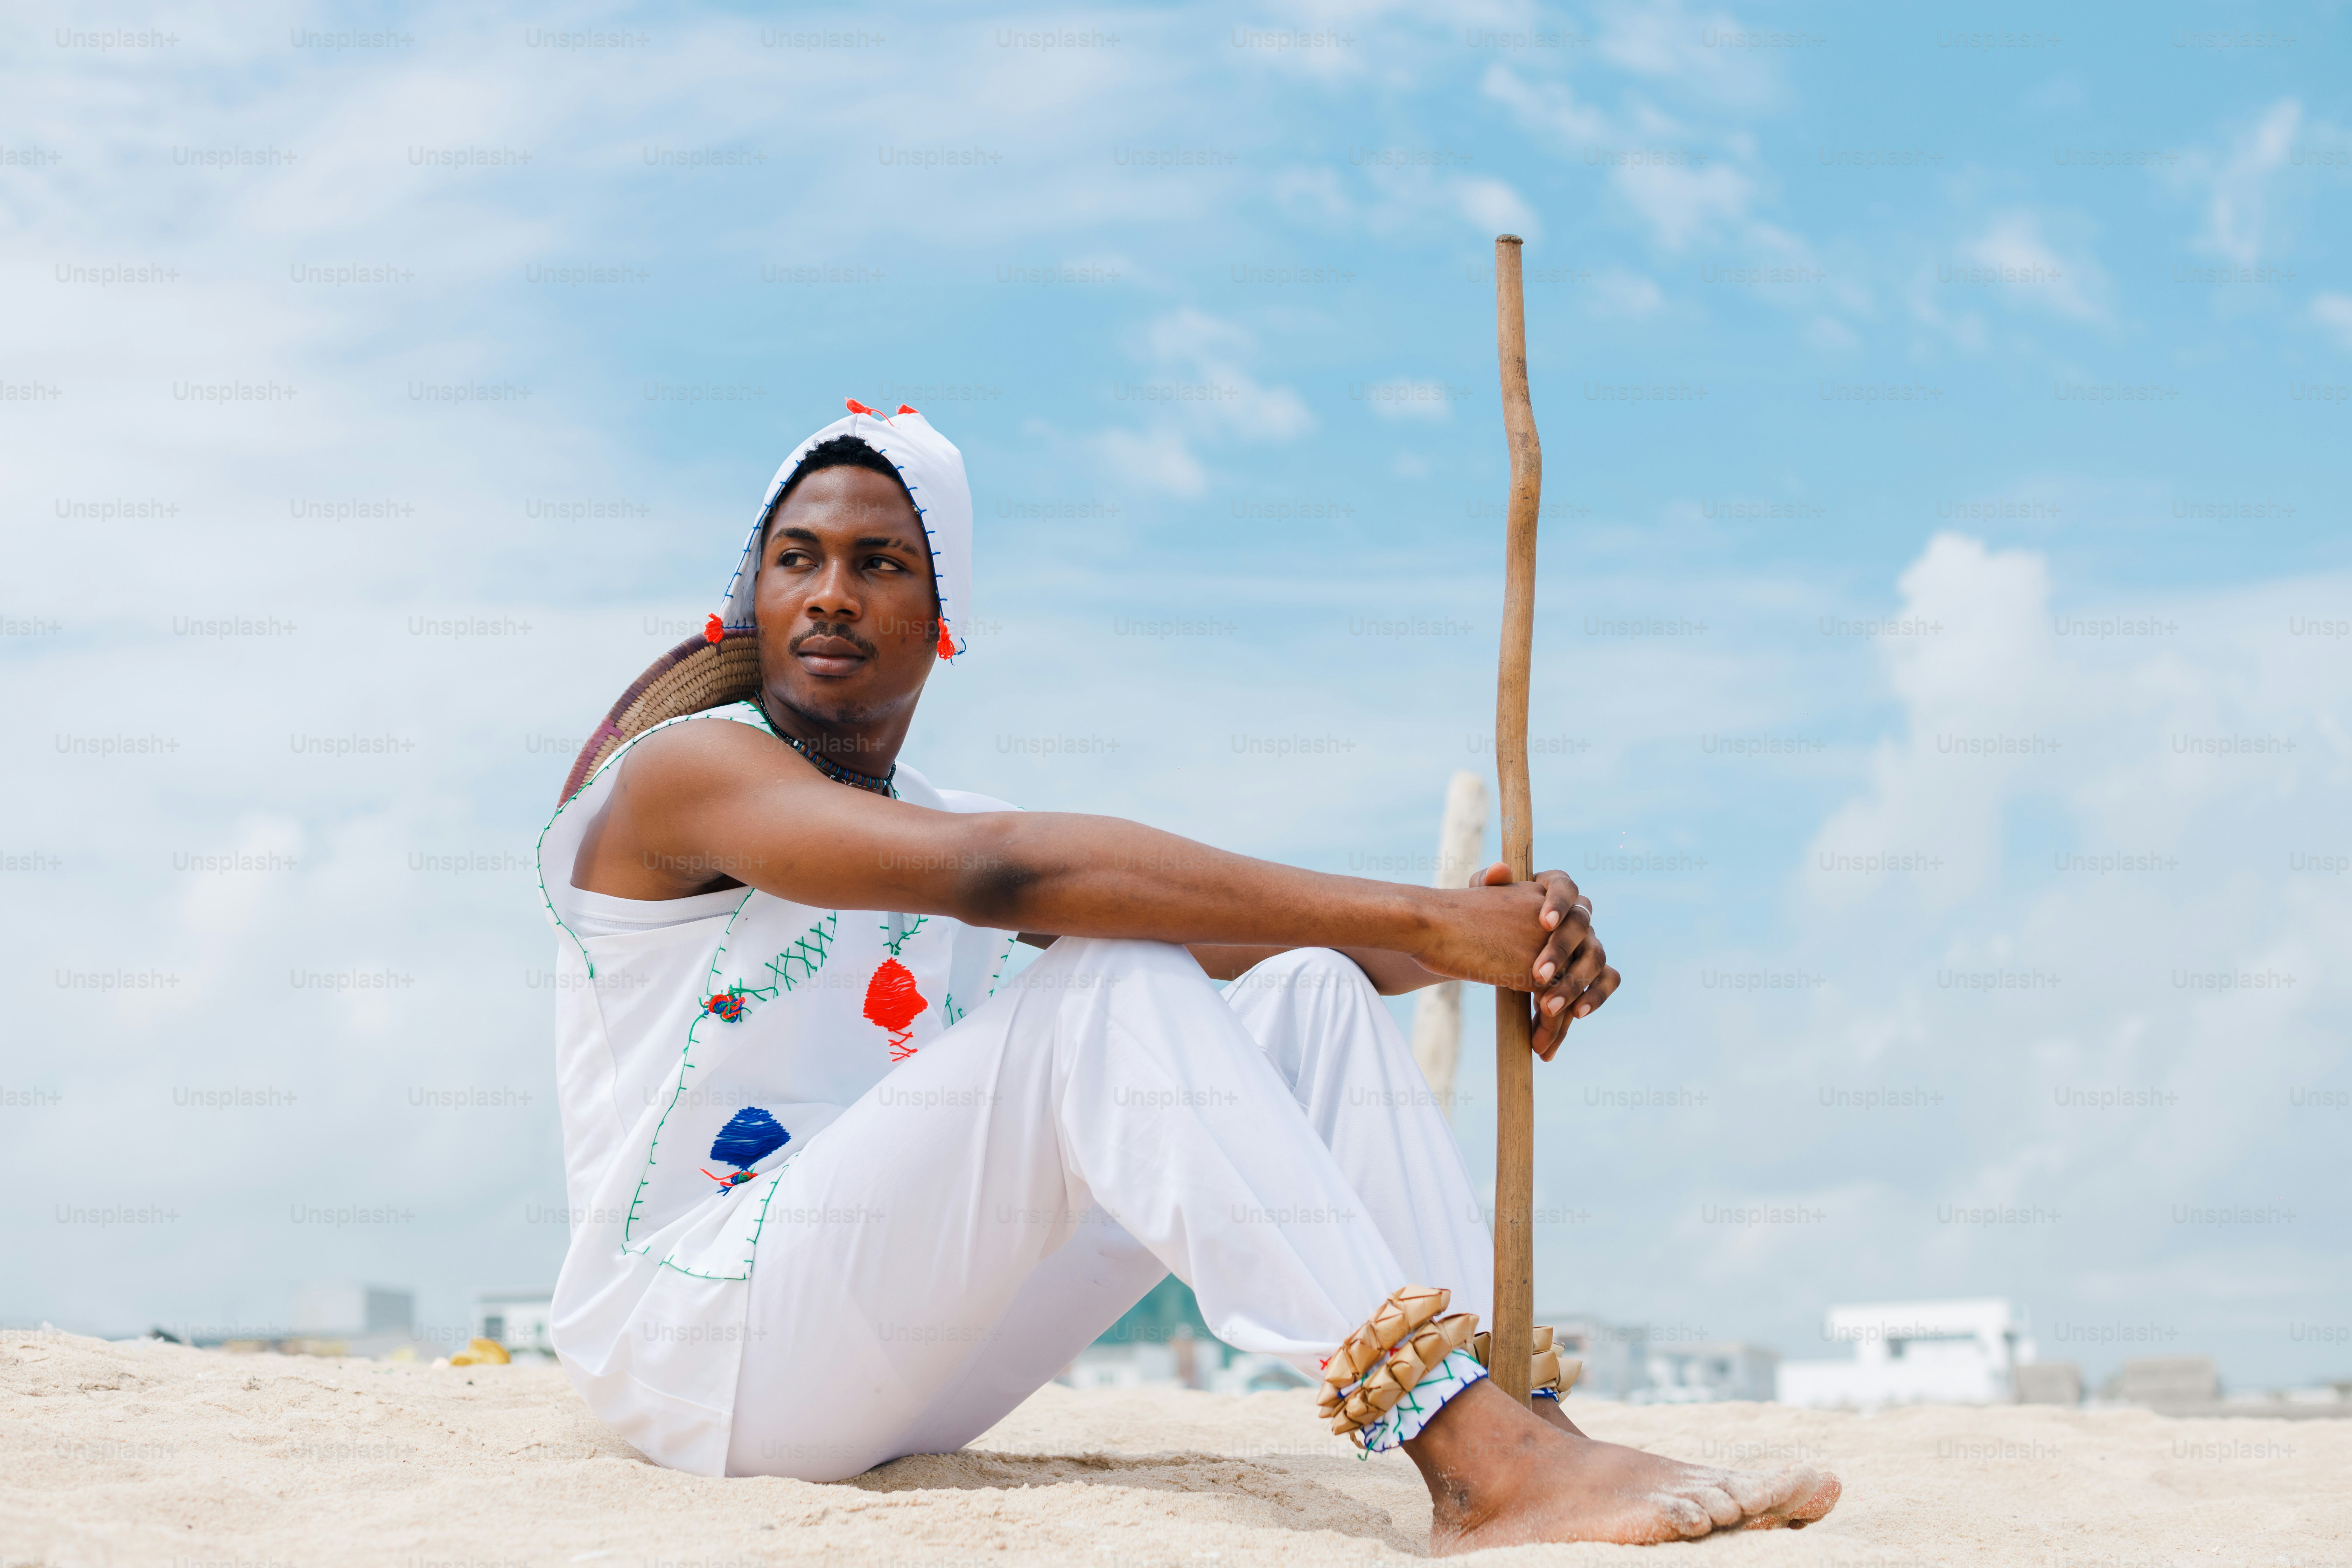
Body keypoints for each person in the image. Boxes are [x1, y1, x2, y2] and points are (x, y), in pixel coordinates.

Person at [536, 402, 1839, 1550]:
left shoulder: (935, 813)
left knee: (1310, 995)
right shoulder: (688, 771)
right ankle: (1486, 1466)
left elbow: (1303, 948)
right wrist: (1431, 923)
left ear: (945, 626)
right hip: (696, 1350)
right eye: (796, 560)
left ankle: (1523, 1421)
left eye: (880, 565)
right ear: (748, 599)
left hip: (881, 1367)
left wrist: (1498, 929)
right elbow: (1005, 871)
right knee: (1102, 982)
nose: (829, 593)